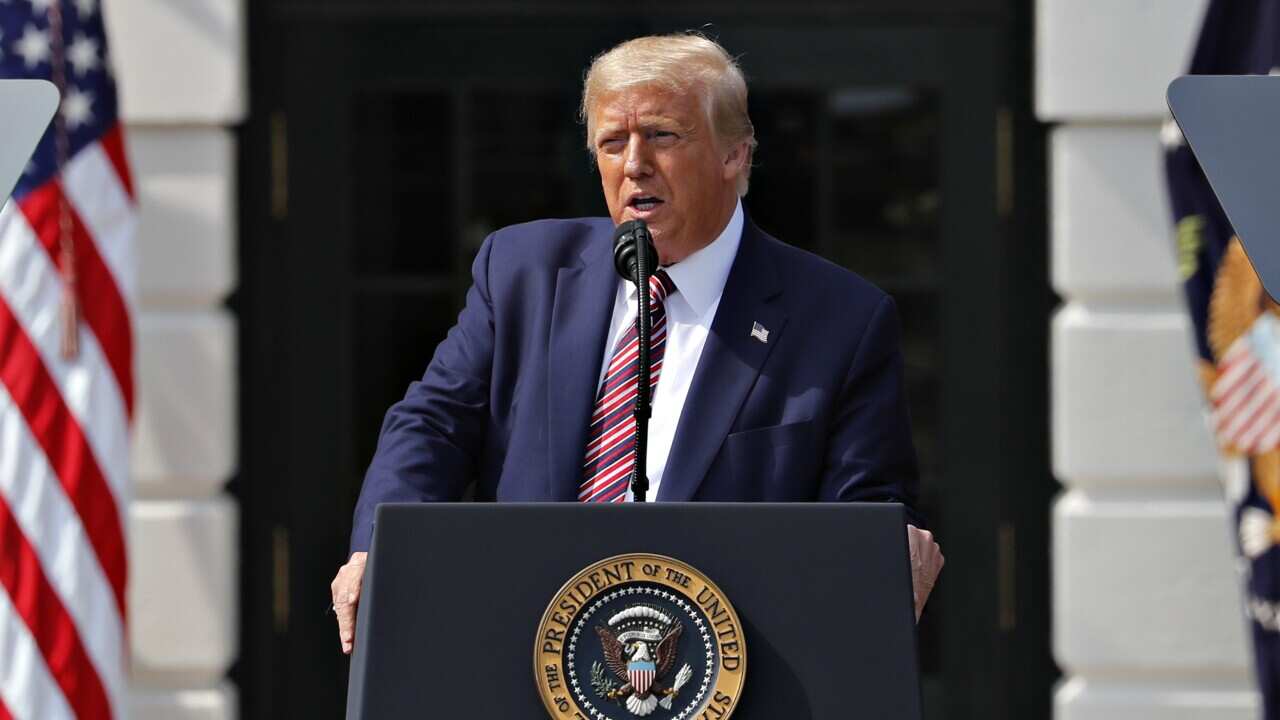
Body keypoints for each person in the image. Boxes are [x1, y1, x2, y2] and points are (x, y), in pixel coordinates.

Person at [331, 33, 944, 654]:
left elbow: (865, 507)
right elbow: (432, 423)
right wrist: (377, 546)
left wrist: (887, 542)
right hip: (528, 654)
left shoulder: (840, 319)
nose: (634, 165)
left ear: (736, 153)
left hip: (728, 669)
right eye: (612, 142)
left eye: (662, 136)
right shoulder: (522, 270)